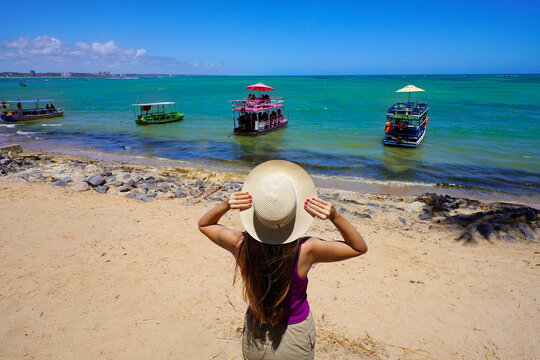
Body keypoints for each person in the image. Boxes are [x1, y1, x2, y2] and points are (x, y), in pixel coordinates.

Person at [198, 160, 367, 360]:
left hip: (256, 327)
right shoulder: (306, 250)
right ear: (294, 213)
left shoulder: (241, 245)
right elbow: (358, 247)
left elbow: (205, 225)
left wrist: (227, 204)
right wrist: (335, 216)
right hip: (294, 333)